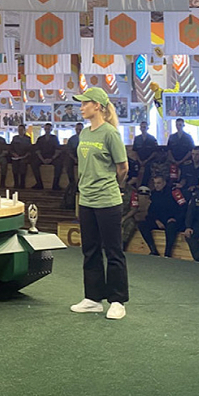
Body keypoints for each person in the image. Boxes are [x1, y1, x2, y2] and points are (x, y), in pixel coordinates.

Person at [69, 87, 129, 320]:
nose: (81, 107)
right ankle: (93, 299)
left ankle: (117, 301)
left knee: (113, 251)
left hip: (108, 200)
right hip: (86, 200)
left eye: (85, 103)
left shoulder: (110, 134)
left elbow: (123, 167)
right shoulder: (84, 133)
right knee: (90, 250)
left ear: (98, 106)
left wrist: (111, 185)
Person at [138, 175, 185, 258]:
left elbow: (183, 208)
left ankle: (167, 253)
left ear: (164, 182)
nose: (156, 185)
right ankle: (153, 250)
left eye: (159, 183)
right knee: (142, 224)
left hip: (172, 220)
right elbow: (151, 211)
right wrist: (156, 221)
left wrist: (175, 218)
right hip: (159, 221)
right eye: (155, 183)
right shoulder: (154, 194)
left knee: (171, 226)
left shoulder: (174, 192)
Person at [31, 123, 63, 190]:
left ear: (51, 129)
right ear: (44, 129)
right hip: (42, 157)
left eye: (49, 129)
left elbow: (58, 150)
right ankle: (39, 183)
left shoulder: (54, 138)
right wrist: (42, 159)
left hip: (52, 157)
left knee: (59, 164)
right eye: (46, 129)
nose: (47, 130)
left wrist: (52, 158)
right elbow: (37, 151)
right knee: (34, 163)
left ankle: (55, 184)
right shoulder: (40, 139)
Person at [121, 184, 150, 251]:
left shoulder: (131, 191)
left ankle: (123, 245)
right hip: (111, 214)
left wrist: (124, 218)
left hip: (126, 215)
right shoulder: (110, 188)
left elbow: (134, 209)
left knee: (131, 223)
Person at [132, 121, 158, 185]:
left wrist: (146, 161)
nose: (143, 128)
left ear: (147, 128)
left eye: (144, 127)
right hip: (139, 160)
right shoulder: (137, 139)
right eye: (141, 127)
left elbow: (155, 152)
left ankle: (144, 185)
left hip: (149, 161)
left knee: (148, 170)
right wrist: (139, 161)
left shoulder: (152, 139)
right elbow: (135, 151)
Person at [9, 124, 31, 189]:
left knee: (23, 164)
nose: (20, 131)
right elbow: (11, 148)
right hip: (15, 156)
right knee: (14, 165)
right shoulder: (15, 138)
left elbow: (30, 149)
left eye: (21, 130)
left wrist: (25, 155)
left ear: (24, 130)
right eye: (19, 130)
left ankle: (22, 183)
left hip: (24, 156)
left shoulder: (28, 139)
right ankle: (16, 183)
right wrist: (13, 153)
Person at [64, 122, 83, 189]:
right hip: (73, 156)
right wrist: (74, 158)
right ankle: (71, 182)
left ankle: (81, 182)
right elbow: (68, 150)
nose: (78, 131)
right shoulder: (72, 139)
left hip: (83, 156)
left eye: (80, 129)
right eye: (77, 129)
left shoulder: (87, 138)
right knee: (68, 162)